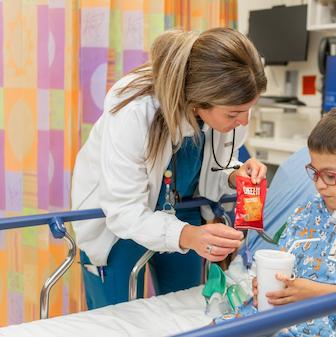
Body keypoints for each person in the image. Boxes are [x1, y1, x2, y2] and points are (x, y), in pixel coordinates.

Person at [71, 27, 267, 309]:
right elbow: (124, 209)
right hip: (119, 222)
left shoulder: (224, 109)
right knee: (116, 319)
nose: (244, 121)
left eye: (249, 109)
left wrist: (236, 175)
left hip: (184, 210)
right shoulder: (134, 110)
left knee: (185, 307)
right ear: (198, 99)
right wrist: (188, 235)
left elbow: (215, 166)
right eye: (234, 114)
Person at [217, 105, 336, 337]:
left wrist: (312, 292)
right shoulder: (310, 209)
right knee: (224, 328)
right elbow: (285, 262)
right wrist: (269, 286)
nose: (319, 184)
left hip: (327, 323)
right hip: (278, 311)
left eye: (330, 176)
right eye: (314, 172)